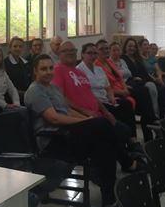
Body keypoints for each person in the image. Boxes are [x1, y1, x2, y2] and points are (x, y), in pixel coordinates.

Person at [24, 54, 121, 207]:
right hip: (53, 140)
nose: (48, 72)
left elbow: (67, 110)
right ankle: (126, 160)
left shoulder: (53, 88)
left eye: (50, 68)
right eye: (43, 69)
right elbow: (54, 119)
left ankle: (109, 200)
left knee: (105, 147)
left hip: (67, 134)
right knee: (103, 126)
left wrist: (88, 119)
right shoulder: (35, 91)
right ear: (35, 71)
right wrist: (87, 123)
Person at [52, 41, 139, 171]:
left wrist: (106, 112)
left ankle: (122, 160)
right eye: (66, 51)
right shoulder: (58, 70)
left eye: (72, 50)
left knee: (122, 129)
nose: (70, 53)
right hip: (80, 119)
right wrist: (85, 112)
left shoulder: (79, 73)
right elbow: (61, 98)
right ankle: (127, 163)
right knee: (111, 131)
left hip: (96, 113)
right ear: (59, 54)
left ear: (76, 53)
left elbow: (91, 95)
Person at [77, 43, 142, 151]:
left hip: (107, 100)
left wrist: (111, 97)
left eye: (94, 53)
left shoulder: (98, 69)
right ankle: (123, 144)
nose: (92, 56)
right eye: (89, 53)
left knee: (126, 104)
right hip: (95, 103)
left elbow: (108, 88)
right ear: (82, 54)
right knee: (120, 114)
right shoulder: (79, 70)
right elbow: (86, 93)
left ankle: (132, 140)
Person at [96, 39, 158, 142]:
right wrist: (123, 91)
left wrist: (125, 88)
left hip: (123, 88)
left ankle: (149, 130)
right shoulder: (97, 65)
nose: (105, 51)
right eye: (102, 49)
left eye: (106, 48)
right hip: (115, 93)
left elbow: (120, 78)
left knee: (145, 91)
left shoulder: (109, 62)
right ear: (97, 51)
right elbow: (105, 87)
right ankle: (150, 126)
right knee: (143, 93)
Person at [110, 41, 161, 121]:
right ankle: (151, 116)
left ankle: (153, 115)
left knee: (151, 88)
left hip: (132, 81)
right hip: (124, 85)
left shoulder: (122, 61)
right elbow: (118, 76)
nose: (116, 52)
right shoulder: (111, 62)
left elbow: (128, 73)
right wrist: (125, 83)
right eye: (114, 50)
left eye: (118, 50)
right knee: (146, 89)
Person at [122, 37, 165, 118]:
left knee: (162, 88)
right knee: (151, 87)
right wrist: (134, 78)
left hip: (145, 79)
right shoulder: (123, 58)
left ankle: (163, 114)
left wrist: (156, 80)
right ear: (125, 47)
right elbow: (125, 74)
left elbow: (145, 72)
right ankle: (155, 114)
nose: (132, 48)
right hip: (134, 82)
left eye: (133, 46)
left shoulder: (137, 58)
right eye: (129, 46)